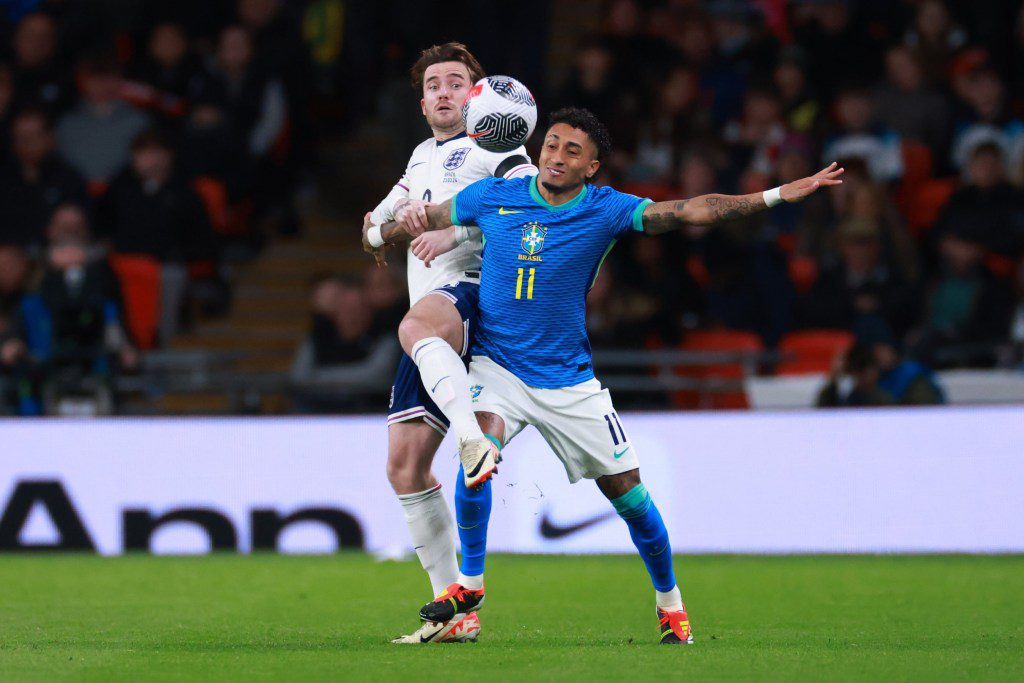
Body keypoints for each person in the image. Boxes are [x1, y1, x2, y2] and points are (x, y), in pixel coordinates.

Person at [369, 107, 843, 643]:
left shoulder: (606, 209)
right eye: (552, 144)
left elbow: (690, 211)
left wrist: (776, 195)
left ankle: (671, 605)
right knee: (476, 451)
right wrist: (379, 232)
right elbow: (426, 220)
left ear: (591, 167)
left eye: (573, 151)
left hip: (568, 381)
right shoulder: (491, 196)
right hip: (497, 367)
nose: (557, 156)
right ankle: (469, 585)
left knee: (630, 497)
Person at [362, 42, 537, 645]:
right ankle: (455, 613)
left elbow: (533, 208)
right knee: (404, 467)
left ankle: (472, 441)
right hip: (431, 318)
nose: (443, 91)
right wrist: (400, 223)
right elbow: (369, 230)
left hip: (473, 296)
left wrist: (453, 227)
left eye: (456, 82)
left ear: (478, 93)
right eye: (433, 83)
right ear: (421, 101)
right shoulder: (419, 157)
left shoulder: (501, 147)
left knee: (412, 327)